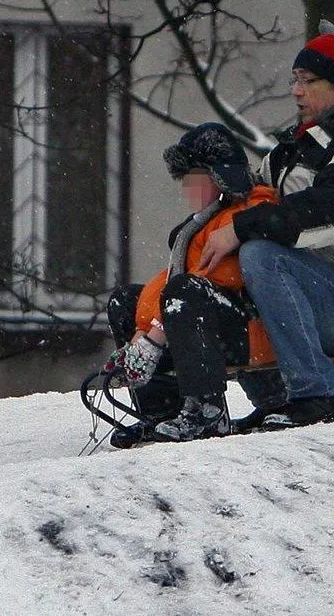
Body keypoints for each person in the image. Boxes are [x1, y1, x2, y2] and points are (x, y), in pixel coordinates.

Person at [199, 20, 334, 431]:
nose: (295, 90)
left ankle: (319, 396)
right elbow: (257, 195)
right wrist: (216, 176)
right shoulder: (304, 143)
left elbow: (333, 207)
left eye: (307, 80)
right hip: (322, 290)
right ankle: (271, 397)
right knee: (243, 257)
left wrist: (242, 227)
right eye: (294, 79)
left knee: (262, 254)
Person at [104, 122, 278, 446]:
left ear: (220, 176)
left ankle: (207, 412)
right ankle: (161, 412)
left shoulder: (251, 210)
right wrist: (143, 330)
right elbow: (170, 282)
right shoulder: (205, 222)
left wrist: (154, 335)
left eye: (192, 178)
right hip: (213, 325)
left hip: (254, 329)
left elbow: (221, 276)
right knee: (125, 299)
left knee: (186, 294)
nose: (185, 188)